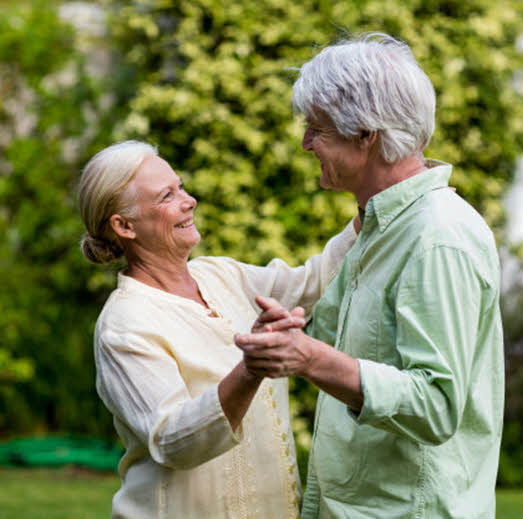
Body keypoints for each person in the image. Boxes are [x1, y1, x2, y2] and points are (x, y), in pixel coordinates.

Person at [235, 33, 504, 518]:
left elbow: (437, 404)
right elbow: (352, 345)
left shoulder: (436, 237)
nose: (305, 144)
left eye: (317, 129)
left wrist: (309, 358)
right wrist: (289, 334)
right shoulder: (378, 226)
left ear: (366, 134)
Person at [78, 140, 358, 518]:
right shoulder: (125, 323)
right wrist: (251, 368)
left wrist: (375, 201)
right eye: (166, 196)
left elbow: (315, 282)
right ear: (124, 226)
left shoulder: (220, 274)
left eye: (180, 187)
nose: (188, 200)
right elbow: (173, 439)